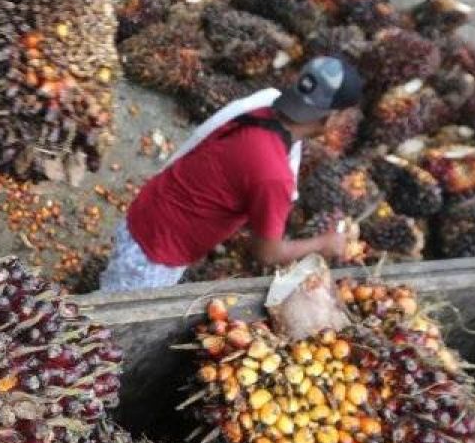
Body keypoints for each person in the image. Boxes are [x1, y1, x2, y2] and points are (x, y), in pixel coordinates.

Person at [98, 56, 365, 293]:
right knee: (108, 326)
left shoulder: (261, 106)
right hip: (156, 252)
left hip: (148, 210)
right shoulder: (274, 176)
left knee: (115, 282)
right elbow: (267, 253)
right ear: (330, 120)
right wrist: (323, 244)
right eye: (346, 116)